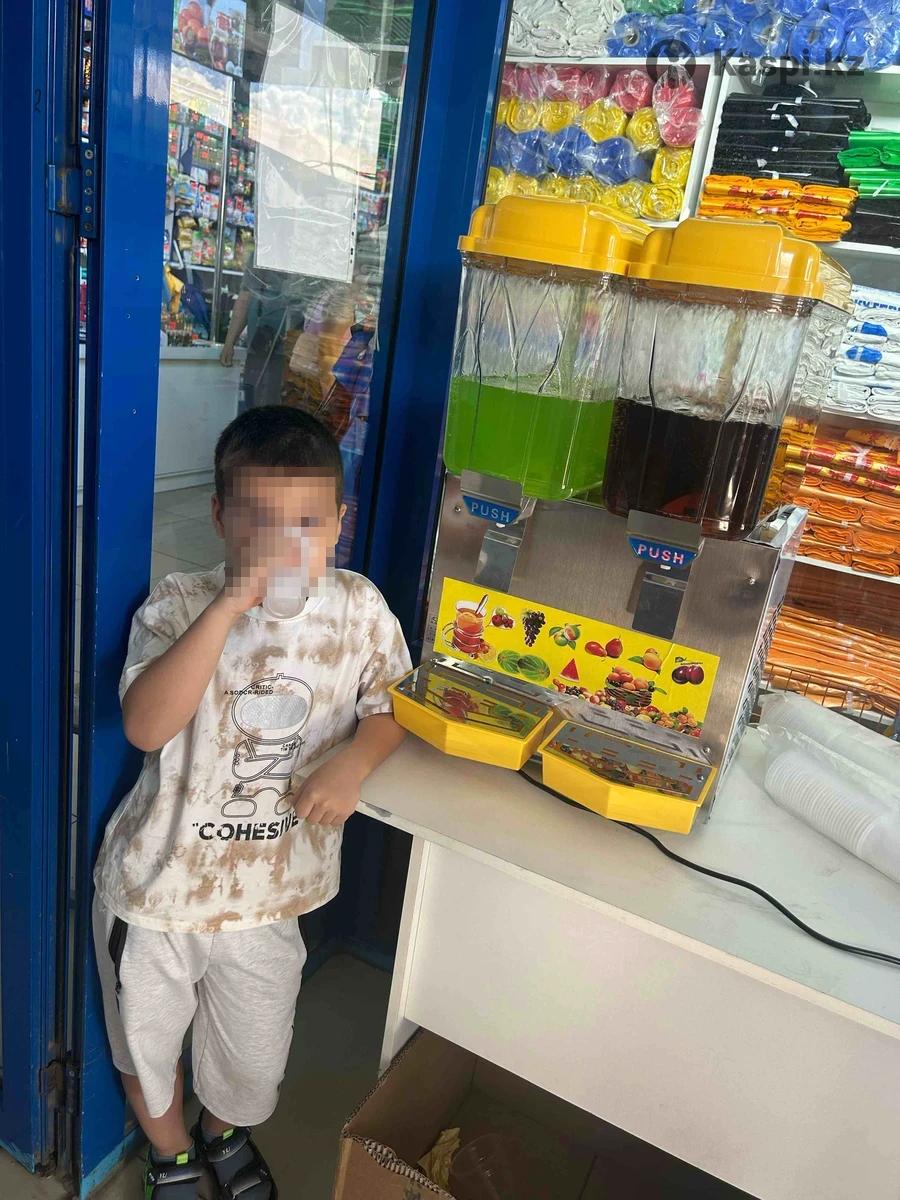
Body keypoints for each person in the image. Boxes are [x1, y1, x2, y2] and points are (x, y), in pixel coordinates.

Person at [91, 407, 411, 1199]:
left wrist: (355, 763)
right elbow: (145, 725)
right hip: (158, 888)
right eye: (259, 521)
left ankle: (223, 1130)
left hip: (272, 893)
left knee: (255, 1053)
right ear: (218, 517)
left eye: (306, 522)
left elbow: (393, 706)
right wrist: (228, 607)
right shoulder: (179, 602)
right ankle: (171, 1154)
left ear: (340, 521)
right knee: (146, 1043)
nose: (284, 543)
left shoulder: (358, 609)